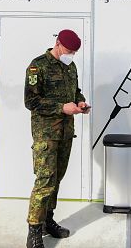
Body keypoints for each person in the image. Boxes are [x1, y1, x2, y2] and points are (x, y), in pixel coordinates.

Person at [24, 29, 90, 248]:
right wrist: (61, 107)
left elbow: (75, 91)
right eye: (69, 50)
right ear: (58, 43)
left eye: (74, 52)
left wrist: (80, 102)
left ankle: (47, 221)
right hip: (46, 134)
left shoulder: (70, 66)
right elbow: (31, 102)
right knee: (44, 181)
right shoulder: (38, 66)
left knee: (56, 179)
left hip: (65, 133)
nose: (71, 54)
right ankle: (34, 231)